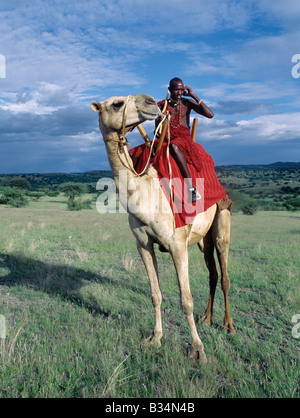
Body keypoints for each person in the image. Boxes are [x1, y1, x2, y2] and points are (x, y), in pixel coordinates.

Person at [156, 77, 214, 202]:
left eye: (182, 90)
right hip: (167, 138)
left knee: (173, 146)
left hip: (183, 139)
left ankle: (191, 188)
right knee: (143, 152)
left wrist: (193, 95)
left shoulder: (187, 103)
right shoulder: (162, 106)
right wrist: (163, 119)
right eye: (177, 90)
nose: (180, 93)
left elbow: (210, 115)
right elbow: (157, 133)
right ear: (170, 89)